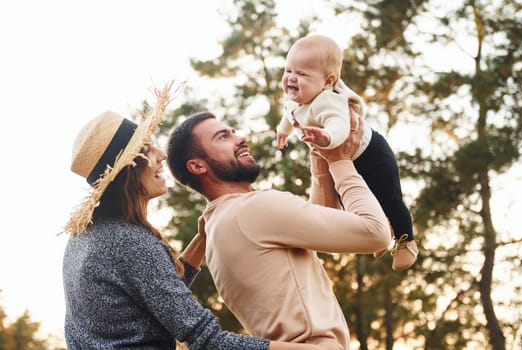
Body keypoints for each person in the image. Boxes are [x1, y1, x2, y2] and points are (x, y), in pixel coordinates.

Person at [62, 82, 327, 350]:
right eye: (147, 151)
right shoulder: (131, 243)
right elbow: (207, 340)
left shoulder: (83, 239)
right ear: (128, 172)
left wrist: (202, 238)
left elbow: (160, 291)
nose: (161, 155)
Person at [166, 108, 391, 349]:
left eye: (233, 132)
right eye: (223, 137)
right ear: (198, 166)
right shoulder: (253, 209)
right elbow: (375, 232)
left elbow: (323, 228)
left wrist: (321, 157)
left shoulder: (218, 228)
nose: (240, 138)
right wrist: (341, 161)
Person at [276, 34, 418, 271]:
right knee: (349, 202)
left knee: (389, 197)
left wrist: (327, 137)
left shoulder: (328, 101)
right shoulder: (295, 100)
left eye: (301, 74)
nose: (291, 77)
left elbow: (340, 126)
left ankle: (406, 240)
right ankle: (382, 227)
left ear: (327, 81)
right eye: (288, 70)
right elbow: (289, 115)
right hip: (344, 160)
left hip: (372, 154)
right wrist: (283, 132)